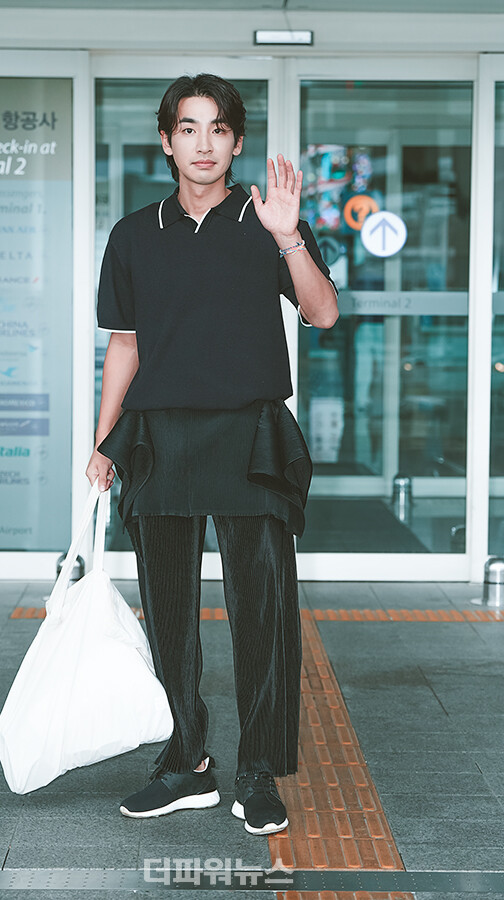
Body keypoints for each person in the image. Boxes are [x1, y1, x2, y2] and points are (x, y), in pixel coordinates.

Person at [86, 73, 338, 836]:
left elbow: (323, 313)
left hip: (249, 433)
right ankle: (186, 759)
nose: (204, 143)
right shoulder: (133, 234)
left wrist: (289, 234)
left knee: (262, 611)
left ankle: (257, 770)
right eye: (188, 128)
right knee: (168, 613)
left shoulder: (267, 220)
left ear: (236, 141)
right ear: (167, 140)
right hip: (159, 436)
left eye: (218, 129)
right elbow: (124, 346)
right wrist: (104, 442)